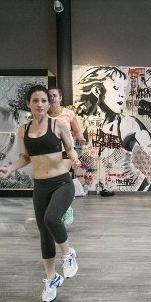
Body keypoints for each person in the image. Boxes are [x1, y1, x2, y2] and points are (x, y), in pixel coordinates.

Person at [0, 85, 80, 302]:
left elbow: (70, 149)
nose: (40, 104)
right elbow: (26, 157)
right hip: (41, 186)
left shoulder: (59, 124)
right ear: (28, 104)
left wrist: (75, 159)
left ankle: (68, 254)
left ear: (48, 103)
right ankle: (51, 279)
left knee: (51, 218)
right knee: (44, 232)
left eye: (44, 100)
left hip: (62, 182)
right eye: (36, 101)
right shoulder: (23, 130)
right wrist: (10, 168)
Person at [48, 87, 87, 226]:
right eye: (49, 96)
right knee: (52, 184)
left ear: (60, 98)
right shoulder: (44, 115)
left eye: (54, 95)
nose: (52, 98)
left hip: (66, 151)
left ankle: (67, 209)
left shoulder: (68, 114)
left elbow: (77, 130)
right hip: (49, 154)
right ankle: (60, 209)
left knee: (61, 181)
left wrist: (81, 139)